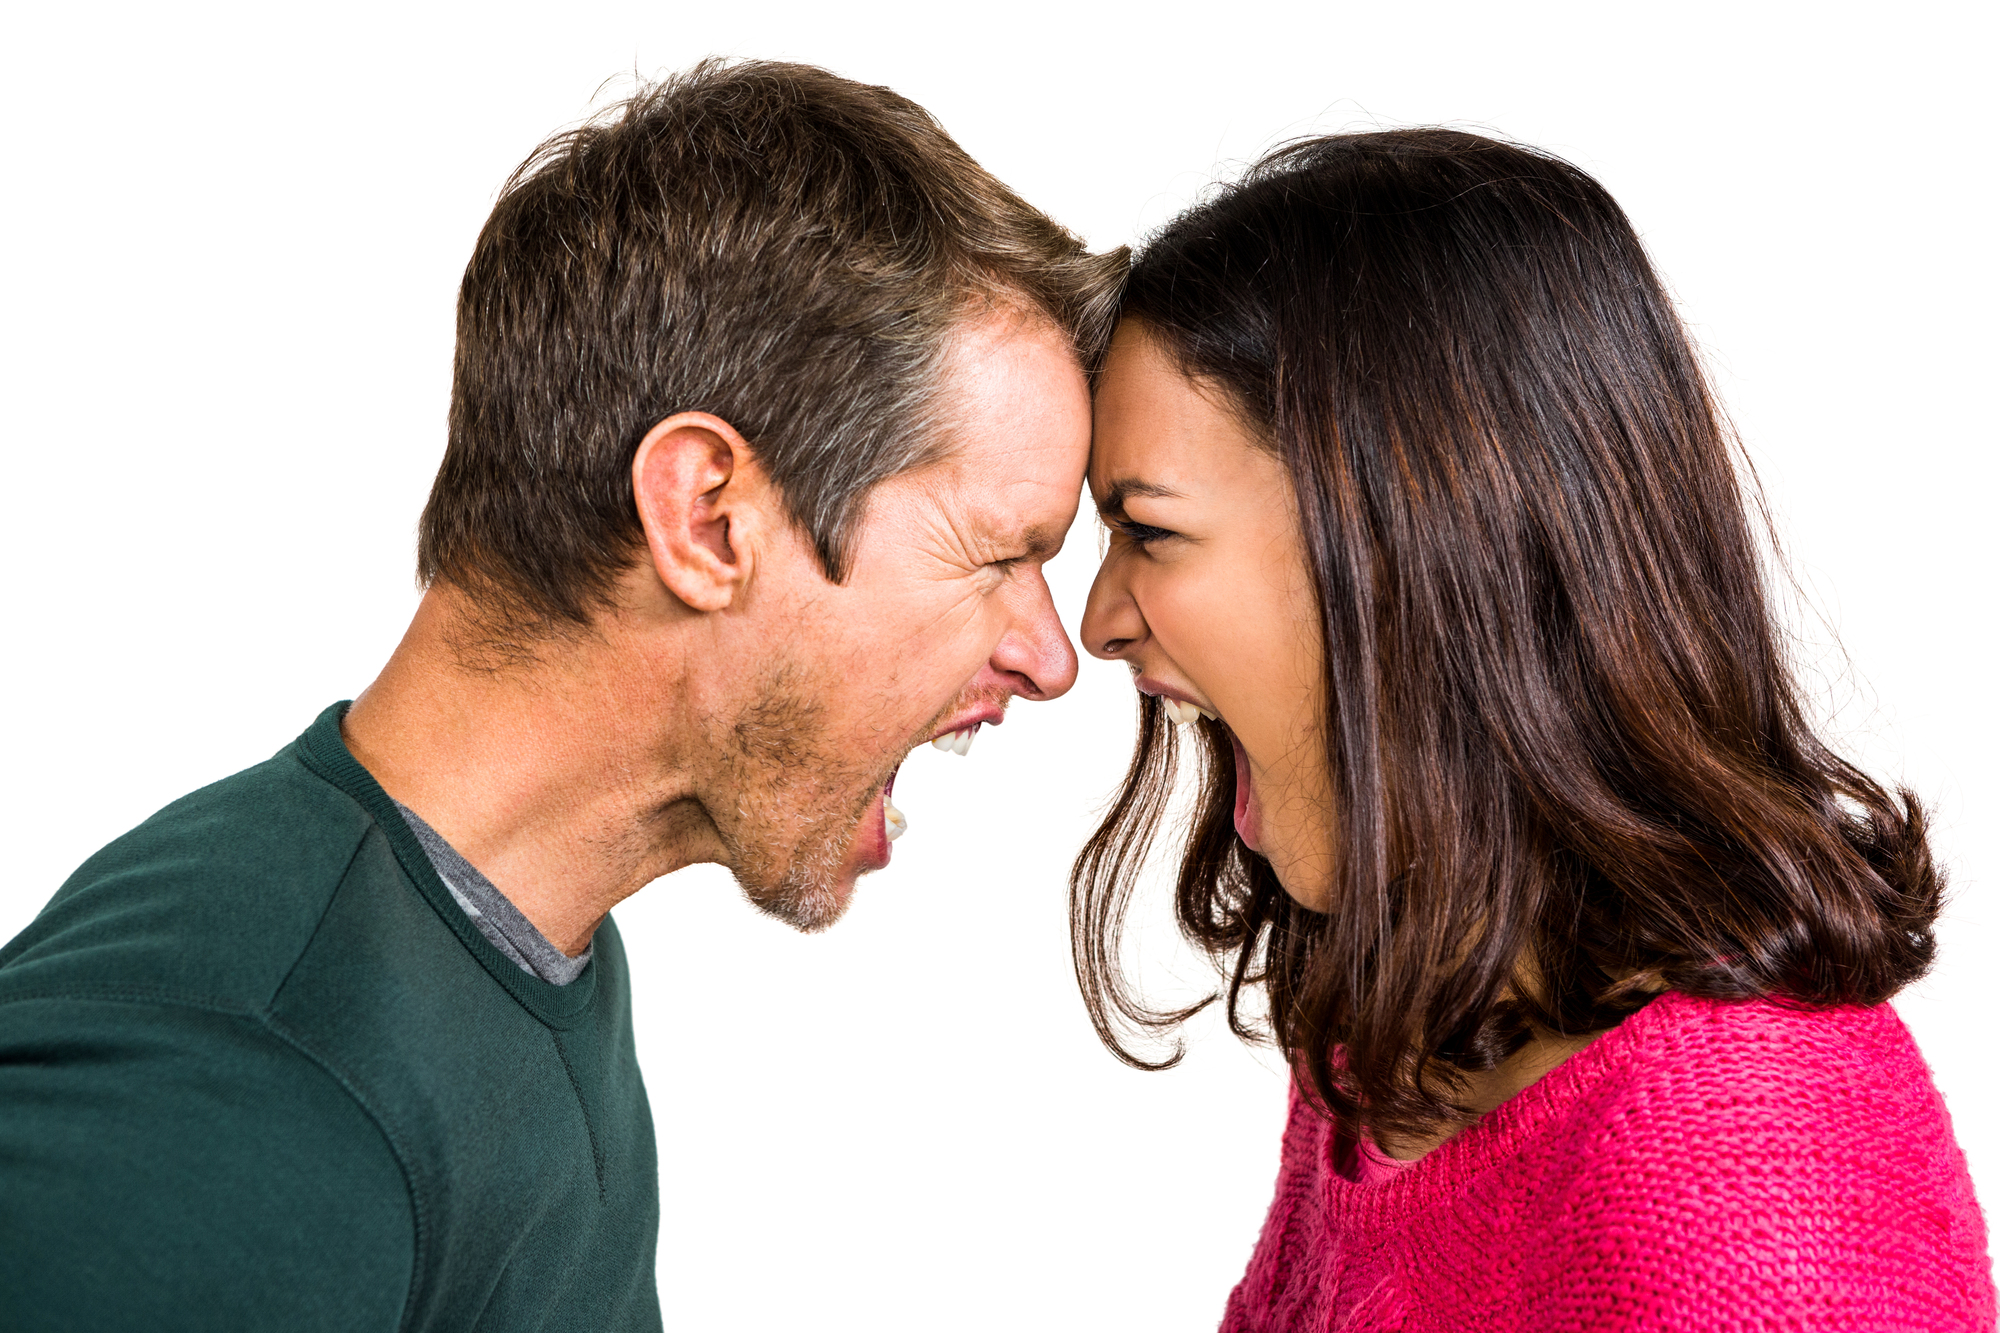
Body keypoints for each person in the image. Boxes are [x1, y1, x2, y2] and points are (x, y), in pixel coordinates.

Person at [0, 60, 1121, 1331]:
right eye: (998, 554)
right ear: (706, 519)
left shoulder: (511, 954)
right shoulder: (243, 1091)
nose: (1048, 652)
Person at [1075, 130, 1995, 1329]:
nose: (1096, 622)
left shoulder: (1746, 1222)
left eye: (1145, 529)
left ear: (1415, 543)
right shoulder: (1403, 1051)